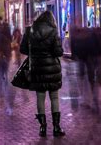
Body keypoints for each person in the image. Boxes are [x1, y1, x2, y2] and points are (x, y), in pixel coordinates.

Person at [20, 10, 65, 138]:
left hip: (37, 69)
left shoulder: (30, 31)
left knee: (40, 98)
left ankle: (42, 128)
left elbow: (22, 49)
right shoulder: (53, 31)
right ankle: (56, 127)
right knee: (54, 97)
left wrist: (34, 53)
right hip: (52, 70)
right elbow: (58, 52)